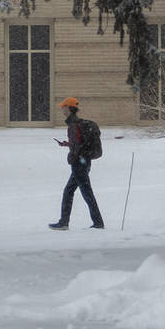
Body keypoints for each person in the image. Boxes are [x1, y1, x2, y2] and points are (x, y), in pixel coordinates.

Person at [47, 95, 104, 230]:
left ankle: (97, 223)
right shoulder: (78, 124)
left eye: (63, 107)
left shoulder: (73, 125)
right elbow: (79, 143)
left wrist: (72, 156)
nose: (62, 110)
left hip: (80, 163)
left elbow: (78, 146)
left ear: (68, 108)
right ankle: (65, 222)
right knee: (70, 191)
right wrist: (68, 144)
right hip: (84, 161)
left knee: (85, 192)